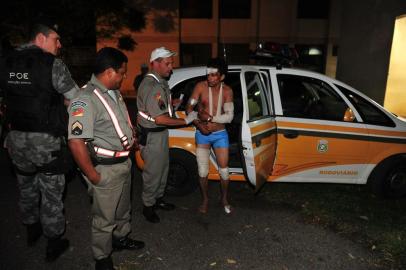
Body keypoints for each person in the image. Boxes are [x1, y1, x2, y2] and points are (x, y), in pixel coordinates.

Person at [0, 22, 79, 261]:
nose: (60, 44)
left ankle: (31, 229)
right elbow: (74, 98)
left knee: (26, 187)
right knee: (52, 194)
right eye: (56, 39)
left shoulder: (6, 61)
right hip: (46, 143)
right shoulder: (52, 64)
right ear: (41, 39)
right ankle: (53, 243)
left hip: (16, 140)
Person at [68, 47, 144, 270]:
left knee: (122, 209)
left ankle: (120, 238)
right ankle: (102, 257)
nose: (124, 77)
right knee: (104, 218)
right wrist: (93, 175)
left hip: (123, 163)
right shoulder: (84, 99)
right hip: (105, 169)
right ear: (110, 72)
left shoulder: (113, 91)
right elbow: (75, 142)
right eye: (122, 72)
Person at [137, 47, 197, 223]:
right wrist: (186, 121)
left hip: (160, 135)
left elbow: (161, 105)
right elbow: (161, 119)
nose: (171, 67)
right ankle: (148, 207)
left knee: (163, 170)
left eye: (171, 63)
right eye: (167, 63)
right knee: (153, 174)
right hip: (153, 136)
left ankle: (158, 200)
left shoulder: (160, 82)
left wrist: (173, 103)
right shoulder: (151, 85)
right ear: (154, 64)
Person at [186, 58, 234, 214]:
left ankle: (224, 198)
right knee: (202, 171)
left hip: (220, 134)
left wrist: (210, 118)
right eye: (209, 74)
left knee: (225, 171)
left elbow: (229, 117)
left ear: (222, 77)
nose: (210, 78)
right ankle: (205, 199)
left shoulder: (227, 91)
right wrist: (199, 125)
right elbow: (189, 108)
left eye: (214, 75)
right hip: (202, 133)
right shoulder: (200, 87)